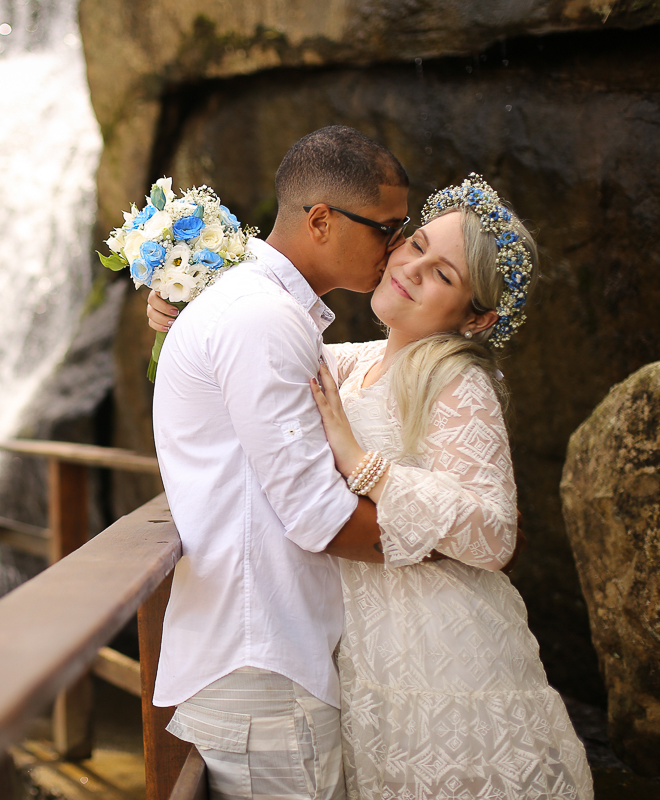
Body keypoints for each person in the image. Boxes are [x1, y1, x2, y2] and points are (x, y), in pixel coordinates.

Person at [147, 173, 594, 799]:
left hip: (441, 651)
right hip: (363, 653)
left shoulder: (457, 380)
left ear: (477, 318)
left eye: (443, 275)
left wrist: (364, 463)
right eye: (415, 246)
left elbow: (495, 534)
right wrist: (180, 308)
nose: (411, 268)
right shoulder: (350, 361)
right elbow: (244, 356)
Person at [148, 125, 410, 800]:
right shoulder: (261, 318)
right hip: (262, 665)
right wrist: (448, 542)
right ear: (321, 220)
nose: (399, 247)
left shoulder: (258, 311)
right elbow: (316, 516)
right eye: (388, 228)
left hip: (262, 658)